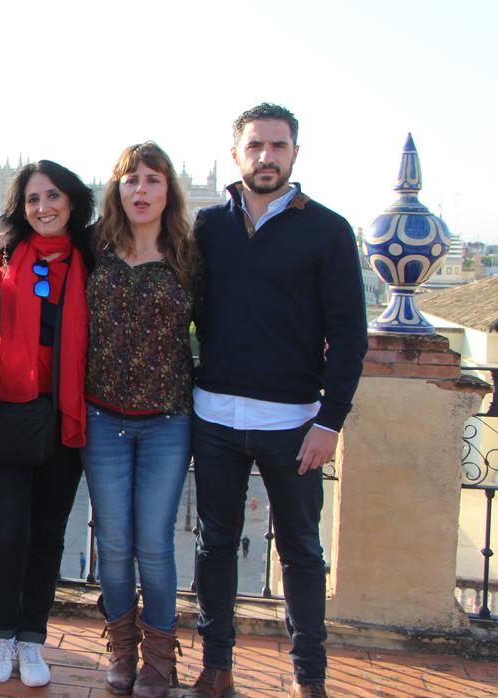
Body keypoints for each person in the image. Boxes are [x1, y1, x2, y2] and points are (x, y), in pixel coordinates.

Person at [185, 104, 367, 698]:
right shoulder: (207, 226)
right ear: (236, 154)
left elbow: (348, 334)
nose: (267, 156)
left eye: (278, 146)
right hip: (213, 418)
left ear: (295, 154)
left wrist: (330, 421)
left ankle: (308, 676)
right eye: (255, 145)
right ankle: (218, 667)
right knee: (215, 546)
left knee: (302, 552)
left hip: (294, 424)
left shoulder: (329, 230)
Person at [83, 142, 199, 698]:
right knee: (112, 539)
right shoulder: (95, 249)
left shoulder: (189, 258)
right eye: (131, 180)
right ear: (117, 190)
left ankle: (159, 661)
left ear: (167, 190)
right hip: (103, 416)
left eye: (152, 180)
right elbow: (34, 239)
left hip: (167, 420)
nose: (141, 190)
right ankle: (122, 652)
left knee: (153, 542)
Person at [0, 160, 93, 688]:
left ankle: (31, 638)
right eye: (32, 200)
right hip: (5, 411)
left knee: (47, 534)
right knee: (3, 533)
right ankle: (0, 633)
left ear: (71, 201)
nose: (43, 208)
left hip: (65, 414)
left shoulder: (94, 259)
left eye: (52, 197)